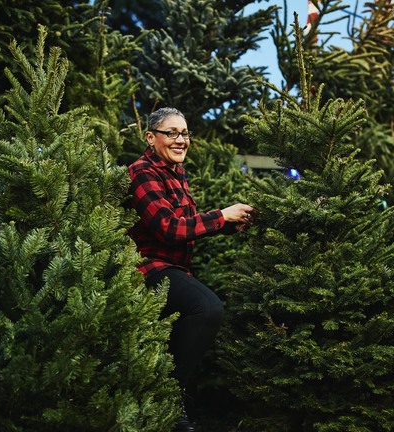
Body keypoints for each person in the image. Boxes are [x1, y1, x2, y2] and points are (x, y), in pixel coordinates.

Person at [126, 107, 257, 432]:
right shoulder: (141, 172)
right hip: (147, 268)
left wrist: (230, 224)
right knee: (206, 307)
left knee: (191, 327)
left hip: (175, 269)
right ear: (151, 137)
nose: (180, 139)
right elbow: (168, 228)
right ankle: (170, 399)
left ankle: (180, 411)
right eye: (172, 133)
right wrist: (220, 216)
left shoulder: (176, 173)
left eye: (184, 133)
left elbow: (186, 225)